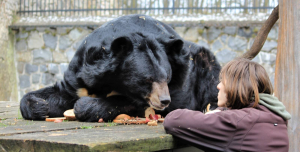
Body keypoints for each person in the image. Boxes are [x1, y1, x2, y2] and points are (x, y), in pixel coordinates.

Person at [163, 58, 291, 152]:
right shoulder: (276, 117)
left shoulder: (238, 121)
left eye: (222, 82)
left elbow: (174, 121)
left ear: (235, 87)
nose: (218, 86)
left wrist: (215, 114)